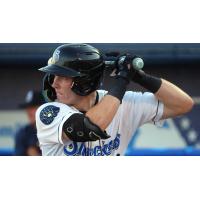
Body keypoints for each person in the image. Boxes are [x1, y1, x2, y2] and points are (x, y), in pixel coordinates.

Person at [36, 43, 194, 156]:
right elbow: (89, 127)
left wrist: (139, 76)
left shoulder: (124, 103)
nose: (54, 83)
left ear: (85, 80)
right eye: (54, 75)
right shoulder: (49, 113)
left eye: (63, 77)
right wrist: (123, 78)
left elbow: (183, 104)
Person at [14, 90, 45, 156]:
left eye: (33, 107)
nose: (28, 112)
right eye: (27, 108)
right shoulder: (23, 133)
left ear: (44, 108)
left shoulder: (56, 131)